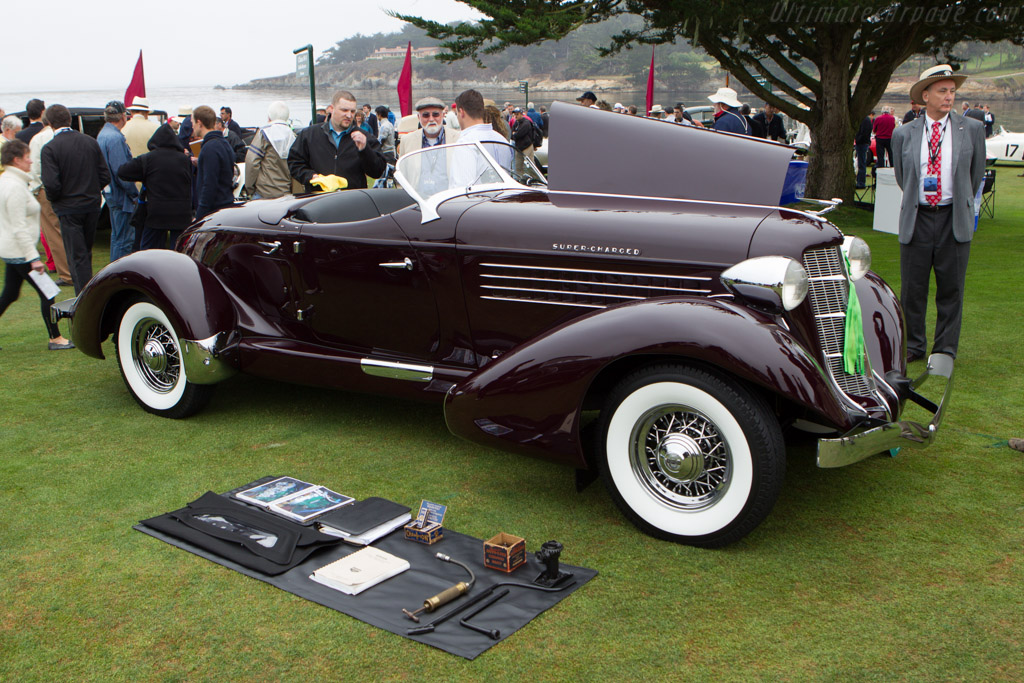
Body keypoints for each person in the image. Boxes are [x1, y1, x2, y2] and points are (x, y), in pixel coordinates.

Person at [892, 64, 986, 363]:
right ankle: (914, 346)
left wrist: (957, 201)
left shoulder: (971, 129)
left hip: (952, 218)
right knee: (912, 289)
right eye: (942, 91)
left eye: (952, 91)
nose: (949, 97)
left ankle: (945, 349)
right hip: (917, 218)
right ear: (925, 94)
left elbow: (975, 175)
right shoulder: (904, 133)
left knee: (951, 289)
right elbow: (902, 176)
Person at [0, 139, 74, 350]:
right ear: (16, 160)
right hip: (19, 251)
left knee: (10, 294)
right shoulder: (13, 186)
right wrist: (33, 258)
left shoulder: (9, 181)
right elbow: (18, 226)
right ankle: (55, 338)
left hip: (12, 248)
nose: (31, 162)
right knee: (47, 292)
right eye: (27, 158)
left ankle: (55, 337)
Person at [40, 104, 110, 294]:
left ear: (50, 124)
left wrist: (56, 201)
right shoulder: (89, 142)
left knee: (76, 255)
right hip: (91, 204)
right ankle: (88, 292)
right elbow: (105, 175)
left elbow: (51, 184)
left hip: (68, 207)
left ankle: (84, 297)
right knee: (84, 252)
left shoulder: (50, 149)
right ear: (69, 120)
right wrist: (91, 190)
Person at [288, 90, 387, 194]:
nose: (349, 115)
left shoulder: (365, 138)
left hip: (352, 202)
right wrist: (311, 177)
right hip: (317, 201)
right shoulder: (309, 134)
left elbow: (377, 171)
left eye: (352, 111)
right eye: (344, 110)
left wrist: (365, 149)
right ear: (331, 109)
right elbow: (294, 163)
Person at [117, 124, 194, 250]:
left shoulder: (148, 159)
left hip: (156, 212)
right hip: (181, 211)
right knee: (179, 250)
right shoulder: (185, 160)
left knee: (148, 250)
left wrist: (144, 176)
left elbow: (122, 172)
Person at [28, 116, 73, 286]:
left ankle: (67, 274)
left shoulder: (38, 139)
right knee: (68, 229)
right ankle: (74, 269)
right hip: (68, 188)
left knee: (53, 232)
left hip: (45, 189)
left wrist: (35, 189)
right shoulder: (68, 137)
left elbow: (34, 168)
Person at [96, 101, 139, 261]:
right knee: (124, 239)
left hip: (110, 193)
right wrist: (134, 194)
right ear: (123, 116)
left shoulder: (103, 134)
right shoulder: (115, 138)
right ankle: (119, 274)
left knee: (117, 237)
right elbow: (121, 171)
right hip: (121, 196)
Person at [451, 89, 513, 187]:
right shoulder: (502, 139)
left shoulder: (465, 143)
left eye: (457, 114)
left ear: (461, 112)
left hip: (478, 200)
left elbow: (462, 188)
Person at [244, 101, 296, 200]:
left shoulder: (264, 134)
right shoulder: (292, 136)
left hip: (264, 192)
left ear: (269, 116)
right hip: (286, 193)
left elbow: (252, 162)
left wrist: (249, 188)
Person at [192, 105, 235, 219]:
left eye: (193, 123)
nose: (192, 127)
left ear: (199, 123)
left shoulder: (209, 148)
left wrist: (199, 216)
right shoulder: (224, 143)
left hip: (213, 211)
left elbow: (209, 184)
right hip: (226, 205)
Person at [510, 107, 535, 174]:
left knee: (530, 166)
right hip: (518, 147)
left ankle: (533, 179)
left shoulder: (526, 123)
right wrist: (514, 134)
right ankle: (520, 180)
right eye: (514, 114)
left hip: (527, 146)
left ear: (521, 114)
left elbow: (518, 134)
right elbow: (512, 135)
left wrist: (515, 134)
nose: (515, 116)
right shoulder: (516, 123)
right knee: (518, 166)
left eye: (517, 114)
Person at [855, 110, 875, 189]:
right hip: (863, 143)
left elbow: (863, 133)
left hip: (862, 143)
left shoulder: (865, 120)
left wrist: (858, 139)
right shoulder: (867, 120)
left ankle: (861, 182)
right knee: (861, 163)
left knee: (861, 164)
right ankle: (860, 181)